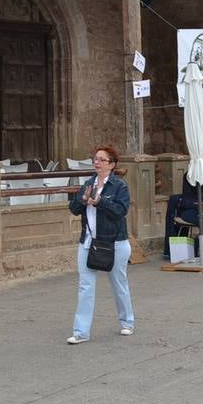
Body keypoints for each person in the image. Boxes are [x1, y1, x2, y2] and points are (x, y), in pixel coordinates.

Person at [65, 144, 134, 345]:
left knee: (118, 283)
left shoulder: (119, 186)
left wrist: (100, 201)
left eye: (102, 160)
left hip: (114, 243)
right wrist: (83, 200)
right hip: (88, 242)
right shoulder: (88, 183)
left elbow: (120, 211)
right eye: (95, 159)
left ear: (111, 164)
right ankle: (81, 331)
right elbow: (74, 208)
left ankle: (127, 321)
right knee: (85, 286)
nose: (97, 162)